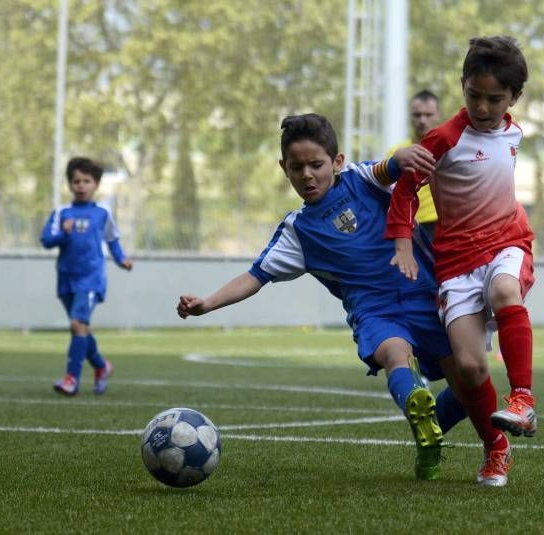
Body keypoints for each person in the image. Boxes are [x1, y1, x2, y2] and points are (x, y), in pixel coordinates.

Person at [177, 113, 497, 483]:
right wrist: (206, 303)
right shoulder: (298, 231)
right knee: (396, 354)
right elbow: (255, 276)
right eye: (297, 168)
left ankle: (430, 429)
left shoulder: (360, 180)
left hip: (425, 296)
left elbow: (388, 168)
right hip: (375, 313)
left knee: (467, 386)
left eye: (316, 164)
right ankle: (416, 405)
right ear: (284, 168)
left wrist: (406, 156)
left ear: (337, 162)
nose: (307, 175)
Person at [387, 36, 537, 486]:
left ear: (514, 98)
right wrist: (403, 243)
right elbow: (406, 189)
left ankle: (523, 399)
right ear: (463, 87)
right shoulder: (444, 138)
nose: (484, 107)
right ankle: (496, 447)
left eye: (496, 99)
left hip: (508, 244)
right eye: (475, 96)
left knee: (505, 290)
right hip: (455, 263)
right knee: (469, 368)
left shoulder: (514, 130)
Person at [40, 157, 133, 396]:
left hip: (91, 278)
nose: (81, 185)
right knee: (81, 329)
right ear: (70, 185)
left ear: (96, 184)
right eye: (76, 181)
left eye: (86, 181)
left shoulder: (102, 213)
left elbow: (112, 239)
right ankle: (102, 366)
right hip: (66, 278)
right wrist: (63, 233)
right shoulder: (62, 212)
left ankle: (71, 379)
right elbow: (46, 241)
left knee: (77, 324)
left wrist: (121, 259)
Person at [387, 90, 443, 240]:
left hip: (440, 223)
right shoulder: (397, 153)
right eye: (417, 115)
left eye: (428, 114)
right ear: (410, 116)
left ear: (438, 115)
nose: (422, 120)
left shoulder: (449, 150)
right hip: (408, 226)